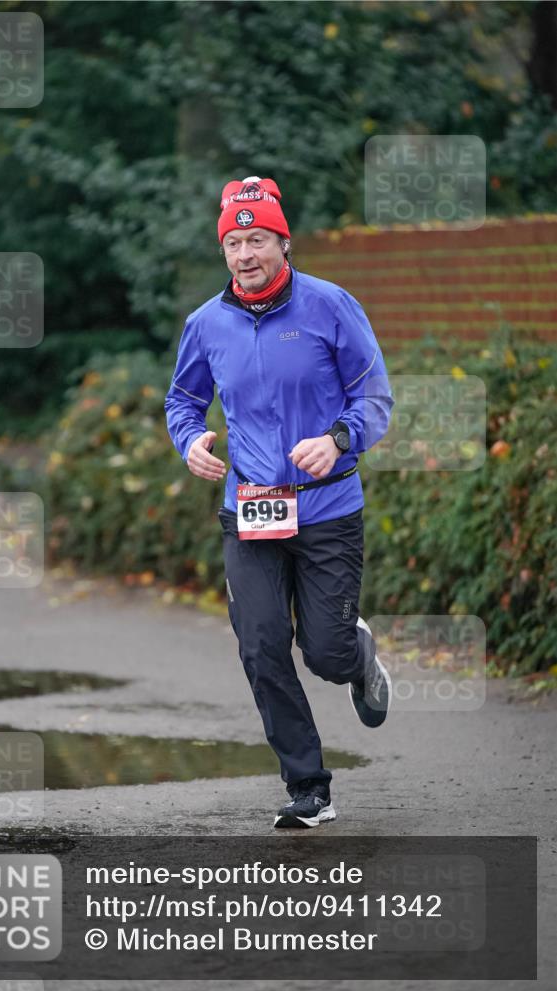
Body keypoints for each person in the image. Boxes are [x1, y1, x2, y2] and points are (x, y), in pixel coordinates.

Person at [165, 176, 394, 829]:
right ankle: (308, 787)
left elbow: (374, 396)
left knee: (324, 654)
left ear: (283, 243)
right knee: (261, 646)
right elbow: (182, 401)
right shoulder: (206, 324)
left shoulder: (330, 306)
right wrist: (190, 440)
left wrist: (338, 438)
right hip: (250, 509)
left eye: (257, 240)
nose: (245, 254)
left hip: (327, 508)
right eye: (233, 244)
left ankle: (356, 654)